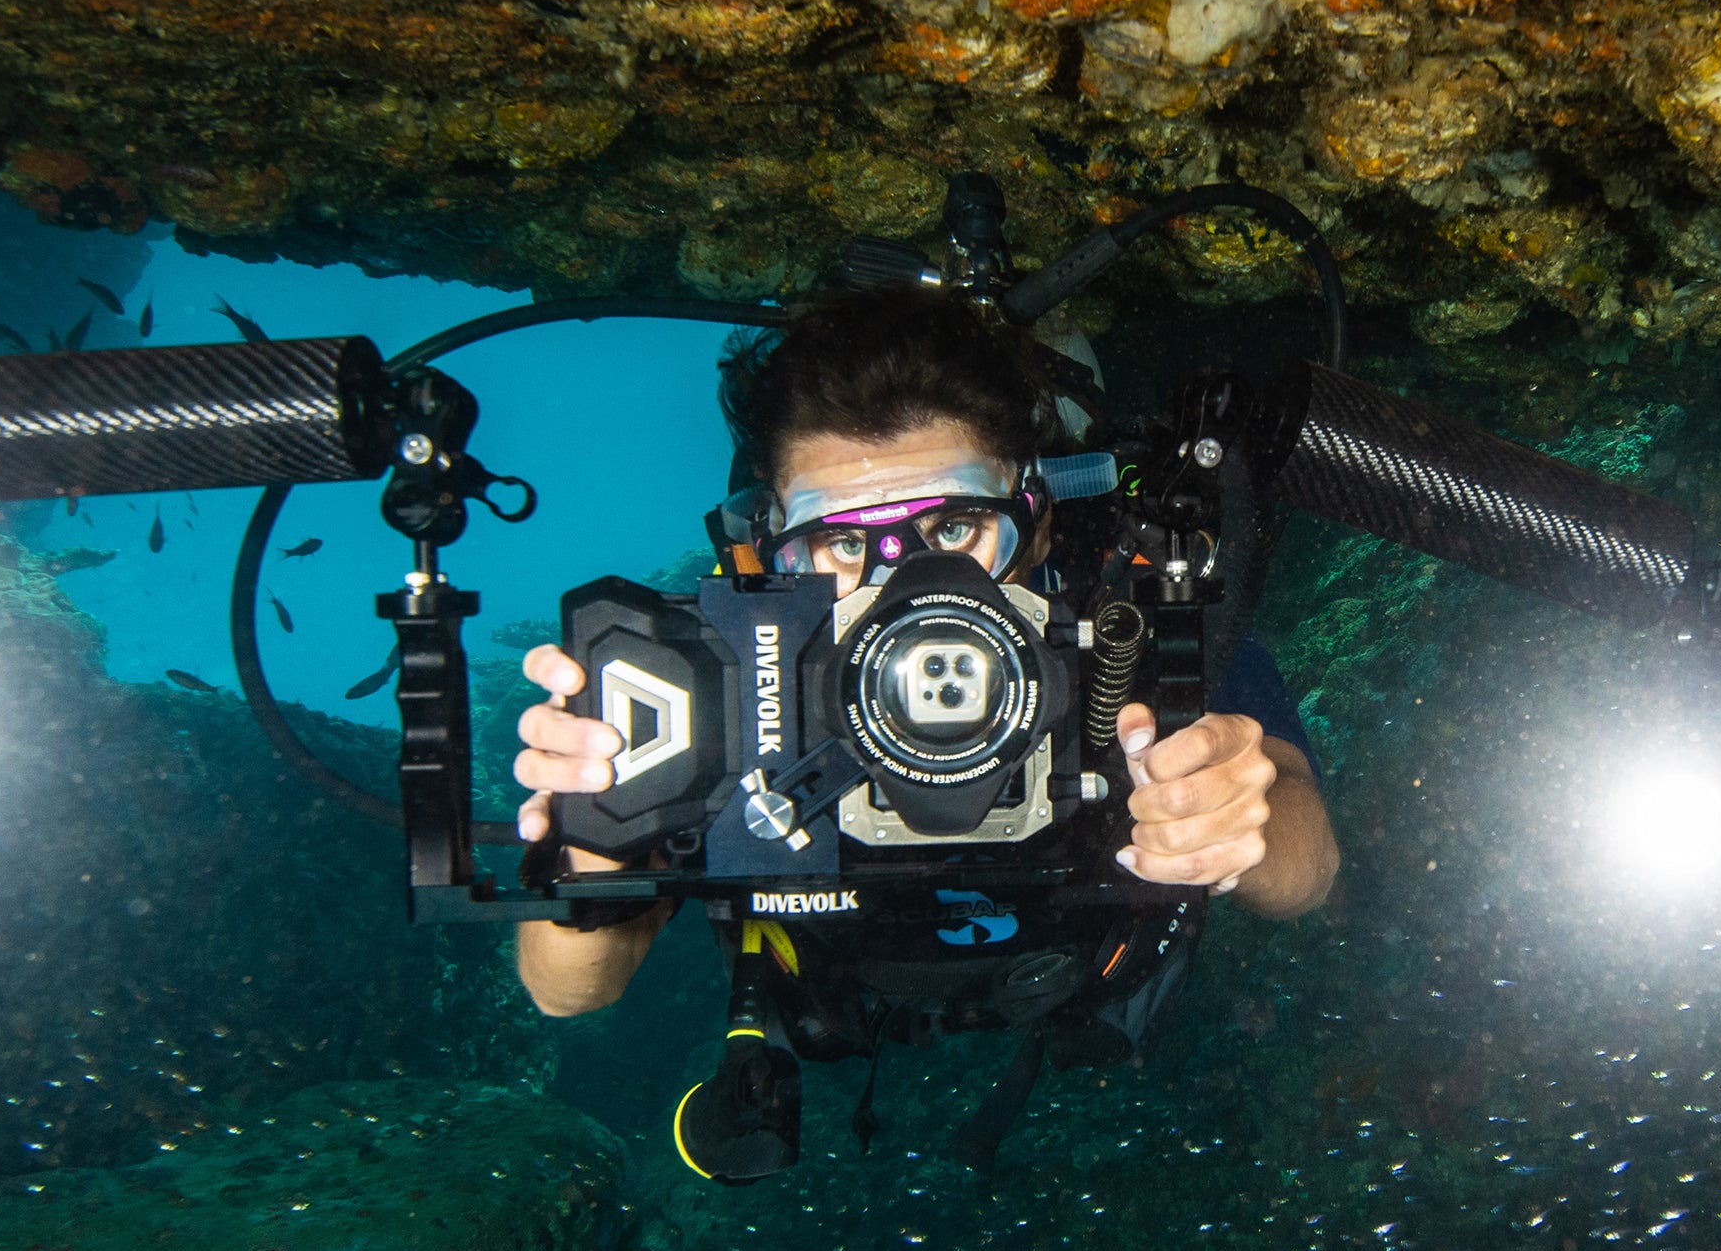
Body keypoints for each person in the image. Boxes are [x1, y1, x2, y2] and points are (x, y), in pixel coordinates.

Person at [509, 289, 1340, 1039]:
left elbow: (1310, 869)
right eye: (842, 544)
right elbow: (569, 991)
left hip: (1098, 977)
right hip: (841, 997)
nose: (905, 587)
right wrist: (597, 839)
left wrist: (1242, 819)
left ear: (1038, 523)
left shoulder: (1130, 624)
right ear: (771, 555)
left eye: (952, 530)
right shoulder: (730, 677)